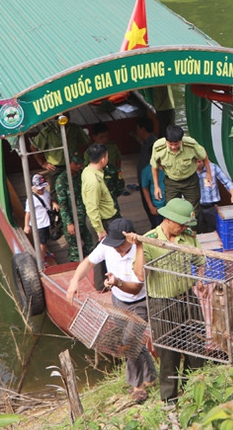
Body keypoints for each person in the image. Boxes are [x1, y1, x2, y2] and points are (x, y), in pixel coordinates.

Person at [66, 218, 156, 403]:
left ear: (130, 239)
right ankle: (151, 376)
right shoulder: (107, 247)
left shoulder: (140, 252)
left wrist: (117, 282)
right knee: (133, 341)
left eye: (120, 245)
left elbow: (136, 288)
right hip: (118, 301)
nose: (116, 249)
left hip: (139, 302)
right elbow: (88, 263)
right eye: (113, 245)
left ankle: (137, 386)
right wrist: (74, 280)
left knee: (129, 342)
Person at [132, 198, 206, 404]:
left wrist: (200, 280)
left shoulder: (188, 237)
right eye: (181, 224)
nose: (184, 228)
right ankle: (169, 399)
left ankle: (191, 389)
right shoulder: (149, 239)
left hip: (188, 298)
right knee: (168, 353)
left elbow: (200, 261)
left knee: (197, 345)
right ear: (168, 219)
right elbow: (139, 274)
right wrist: (139, 247)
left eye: (186, 225)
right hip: (162, 304)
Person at [150, 124, 210, 224]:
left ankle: (192, 233)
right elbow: (154, 166)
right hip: (171, 182)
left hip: (190, 181)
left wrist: (209, 173)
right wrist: (156, 186)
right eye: (170, 144)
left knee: (194, 210)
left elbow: (204, 156)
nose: (173, 147)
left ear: (181, 140)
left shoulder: (191, 145)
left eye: (176, 144)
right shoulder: (158, 147)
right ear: (166, 140)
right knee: (171, 209)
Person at [82, 143, 120, 289]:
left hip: (102, 219)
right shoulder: (93, 181)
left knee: (101, 250)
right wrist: (99, 229)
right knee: (100, 252)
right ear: (103, 159)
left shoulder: (88, 171)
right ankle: (101, 285)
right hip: (102, 221)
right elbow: (92, 207)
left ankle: (103, 283)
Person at [55, 151, 95, 261]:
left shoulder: (83, 174)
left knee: (91, 245)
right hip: (73, 218)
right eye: (76, 163)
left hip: (86, 216)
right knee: (75, 250)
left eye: (80, 163)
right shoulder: (62, 180)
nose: (79, 166)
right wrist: (69, 223)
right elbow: (62, 205)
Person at [30, 116, 88, 188]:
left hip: (73, 165)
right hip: (56, 168)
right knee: (56, 193)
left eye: (67, 113)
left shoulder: (74, 129)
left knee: (77, 189)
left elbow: (86, 142)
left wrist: (79, 157)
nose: (66, 115)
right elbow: (34, 147)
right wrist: (42, 163)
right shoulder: (48, 131)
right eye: (63, 114)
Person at [23, 173, 60, 266]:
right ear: (33, 187)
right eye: (39, 188)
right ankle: (42, 259)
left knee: (45, 240)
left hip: (46, 221)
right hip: (39, 224)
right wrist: (26, 225)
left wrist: (54, 203)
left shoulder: (46, 192)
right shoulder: (31, 199)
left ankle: (45, 253)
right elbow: (28, 213)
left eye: (43, 187)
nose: (42, 190)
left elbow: (49, 199)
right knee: (41, 243)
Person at [86, 122, 124, 203]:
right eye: (101, 137)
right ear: (94, 137)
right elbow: (86, 167)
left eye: (106, 136)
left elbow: (118, 159)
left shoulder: (112, 146)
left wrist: (117, 173)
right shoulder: (90, 151)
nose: (104, 139)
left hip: (112, 178)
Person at [197, 157, 233, 233]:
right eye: (195, 162)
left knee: (214, 231)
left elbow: (227, 182)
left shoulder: (213, 167)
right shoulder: (188, 170)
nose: (197, 164)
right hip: (197, 207)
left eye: (199, 161)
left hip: (212, 206)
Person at [135, 117, 158, 224]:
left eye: (137, 128)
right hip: (144, 181)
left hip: (151, 183)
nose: (137, 131)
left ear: (142, 129)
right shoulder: (145, 142)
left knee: (153, 208)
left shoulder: (154, 144)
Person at [140, 162, 165, 228]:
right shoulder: (147, 170)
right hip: (158, 206)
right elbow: (145, 189)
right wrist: (151, 206)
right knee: (159, 229)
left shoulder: (170, 166)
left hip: (171, 204)